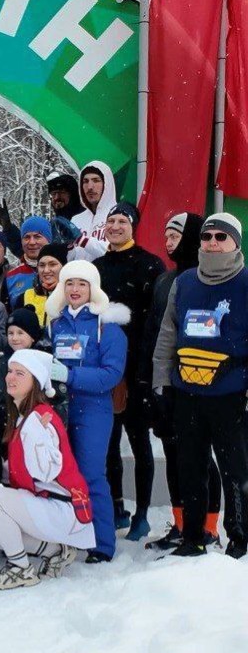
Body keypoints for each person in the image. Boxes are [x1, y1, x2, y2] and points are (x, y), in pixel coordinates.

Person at [153, 213, 248, 559]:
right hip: (188, 393)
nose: (212, 243)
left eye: (221, 237)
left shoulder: (245, 282)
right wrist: (161, 383)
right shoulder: (186, 281)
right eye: (207, 237)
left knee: (235, 471)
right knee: (190, 468)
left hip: (231, 395)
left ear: (236, 243)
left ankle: (239, 538)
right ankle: (193, 537)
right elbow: (168, 335)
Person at [0, 350, 95, 590]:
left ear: (36, 381)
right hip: (45, 503)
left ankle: (21, 569)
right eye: (10, 371)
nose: (11, 377)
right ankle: (55, 551)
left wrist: (37, 440)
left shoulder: (38, 419)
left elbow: (45, 473)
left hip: (63, 507)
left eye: (20, 373)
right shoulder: (23, 416)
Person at [143, 212, 221, 550]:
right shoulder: (165, 280)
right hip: (166, 382)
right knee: (175, 455)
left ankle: (209, 526)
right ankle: (180, 524)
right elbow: (155, 331)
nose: (168, 241)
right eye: (166, 234)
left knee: (200, 457)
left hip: (197, 381)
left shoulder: (204, 279)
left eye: (174, 234)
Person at [46, 260, 128, 563]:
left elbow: (111, 375)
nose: (75, 289)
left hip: (93, 409)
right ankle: (66, 535)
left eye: (81, 283)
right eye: (69, 283)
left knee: (92, 475)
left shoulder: (107, 326)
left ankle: (102, 543)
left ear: (93, 288)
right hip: (59, 407)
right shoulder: (55, 321)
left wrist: (70, 376)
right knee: (57, 475)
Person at [95, 202, 166, 540]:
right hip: (105, 370)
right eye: (111, 221)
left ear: (133, 226)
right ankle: (117, 507)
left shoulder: (150, 265)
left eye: (122, 221)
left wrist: (146, 371)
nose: (116, 226)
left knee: (140, 444)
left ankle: (142, 514)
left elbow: (156, 321)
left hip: (138, 367)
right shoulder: (95, 268)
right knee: (108, 444)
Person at [0, 307, 68, 443]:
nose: (14, 338)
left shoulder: (45, 362)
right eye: (10, 333)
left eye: (20, 333)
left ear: (32, 336)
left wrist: (50, 432)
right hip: (3, 434)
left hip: (39, 435)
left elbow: (59, 403)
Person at [70, 161, 117, 261]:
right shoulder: (76, 220)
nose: (90, 187)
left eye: (96, 180)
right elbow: (69, 259)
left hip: (106, 275)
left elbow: (117, 252)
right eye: (85, 181)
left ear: (106, 184)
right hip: (79, 275)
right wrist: (66, 247)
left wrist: (82, 240)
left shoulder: (119, 217)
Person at [5, 216, 51, 308]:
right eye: (26, 237)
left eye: (37, 237)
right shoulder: (11, 277)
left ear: (49, 239)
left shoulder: (62, 272)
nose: (32, 242)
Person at [22, 244, 67, 326]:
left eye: (52, 264)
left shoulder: (73, 296)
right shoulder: (26, 296)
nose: (46, 270)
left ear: (64, 267)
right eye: (42, 265)